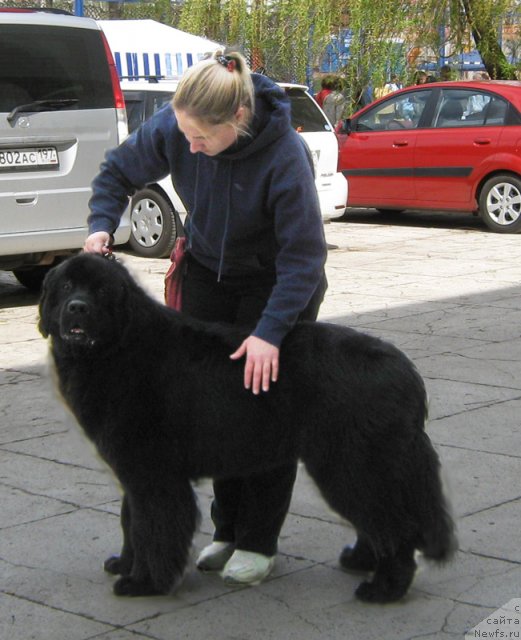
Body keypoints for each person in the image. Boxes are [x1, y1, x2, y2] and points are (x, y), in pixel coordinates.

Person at [84, 50, 328, 586]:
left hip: (274, 287)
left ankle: (259, 541)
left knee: (263, 408)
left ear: (237, 121)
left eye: (201, 139)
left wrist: (270, 334)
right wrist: (102, 225)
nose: (189, 148)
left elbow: (304, 259)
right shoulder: (178, 127)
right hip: (205, 277)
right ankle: (225, 530)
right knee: (210, 410)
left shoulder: (285, 155)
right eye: (184, 135)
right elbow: (116, 171)